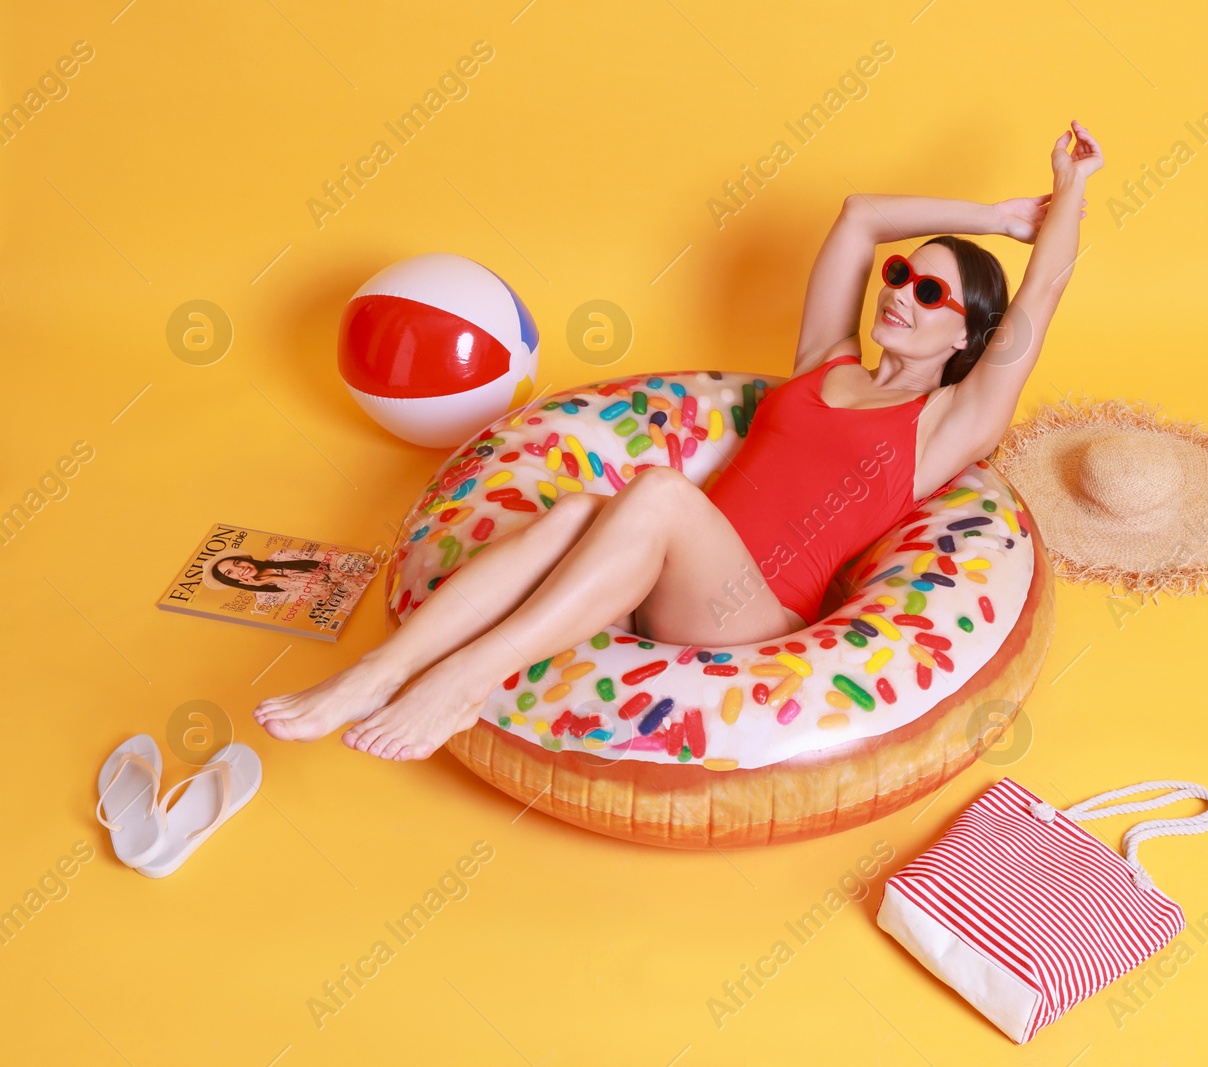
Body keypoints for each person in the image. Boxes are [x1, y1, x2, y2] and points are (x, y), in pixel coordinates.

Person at [253, 120, 1104, 762]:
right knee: (578, 509)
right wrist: (993, 214)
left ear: (969, 337)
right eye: (900, 275)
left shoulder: (948, 425)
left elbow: (1048, 287)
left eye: (929, 291)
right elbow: (860, 216)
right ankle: (377, 671)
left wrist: (1068, 190)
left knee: (658, 492)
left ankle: (465, 681)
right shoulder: (822, 362)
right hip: (666, 573)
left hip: (748, 613)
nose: (901, 294)